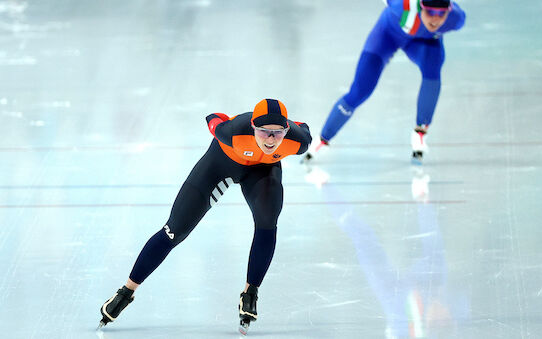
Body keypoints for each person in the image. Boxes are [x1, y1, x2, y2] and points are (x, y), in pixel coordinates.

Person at [98, 99, 312, 335]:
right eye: (263, 132)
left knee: (267, 221)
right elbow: (214, 117)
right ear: (253, 127)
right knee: (174, 231)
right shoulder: (232, 132)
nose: (270, 140)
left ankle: (250, 293)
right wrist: (222, 119)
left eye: (277, 133)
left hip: (262, 172)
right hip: (220, 164)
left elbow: (303, 126)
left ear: (286, 131)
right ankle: (125, 292)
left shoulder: (298, 142)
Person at [303, 0, 466, 164]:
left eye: (441, 14)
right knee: (360, 91)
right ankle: (323, 138)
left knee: (433, 68)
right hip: (387, 36)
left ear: (449, 10)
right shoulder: (402, 5)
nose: (435, 19)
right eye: (430, 12)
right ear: (420, 7)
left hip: (423, 43)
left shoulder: (456, 19)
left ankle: (420, 133)